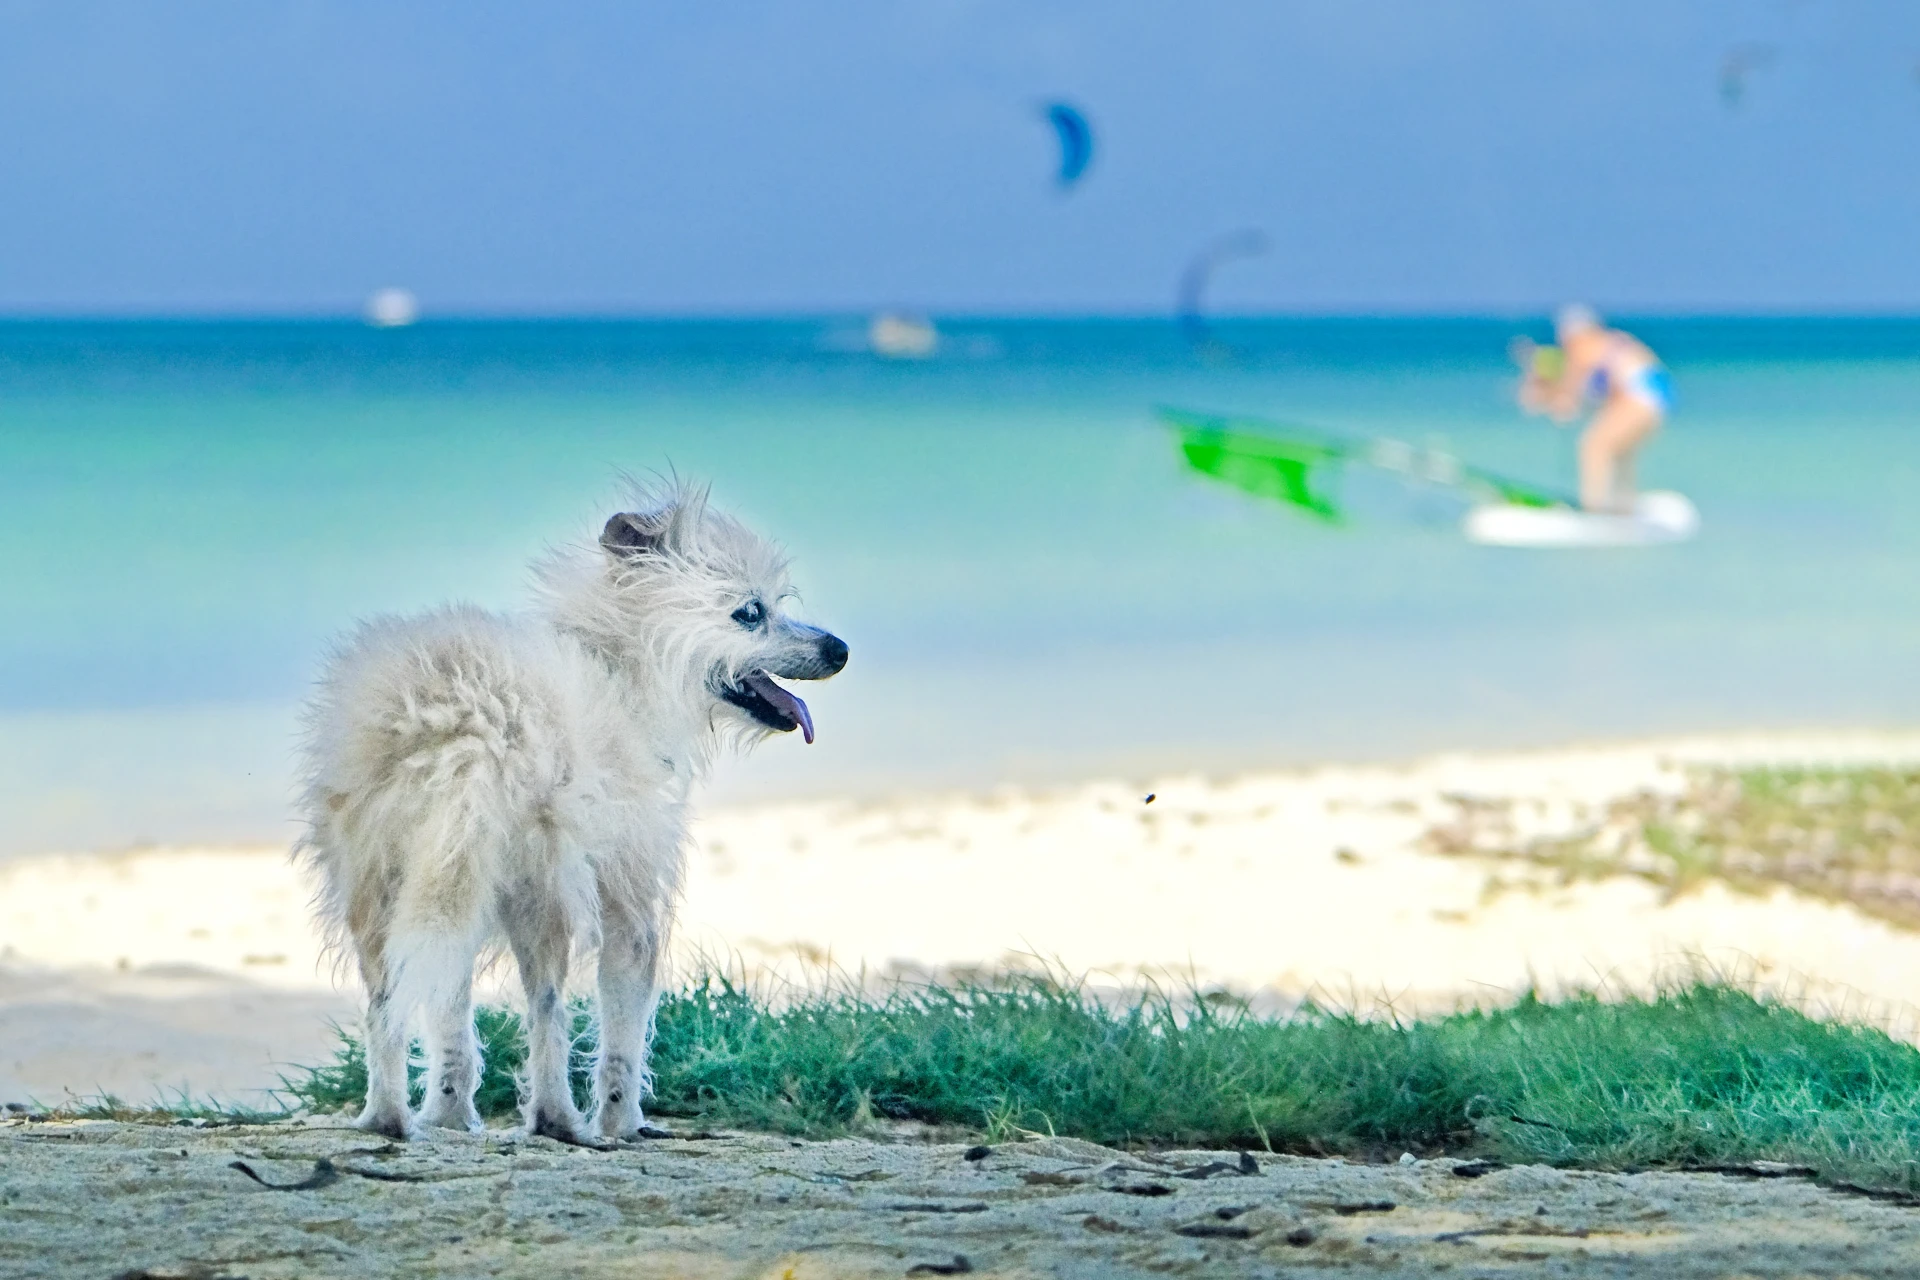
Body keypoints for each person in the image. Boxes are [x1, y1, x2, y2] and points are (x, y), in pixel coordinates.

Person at [1518, 306, 1671, 512]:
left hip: (1639, 400)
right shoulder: (1611, 342)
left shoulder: (1585, 346)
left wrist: (1561, 401)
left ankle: (1594, 507)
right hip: (1657, 402)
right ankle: (1624, 507)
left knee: (1594, 446)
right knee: (1619, 452)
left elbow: (1574, 383)